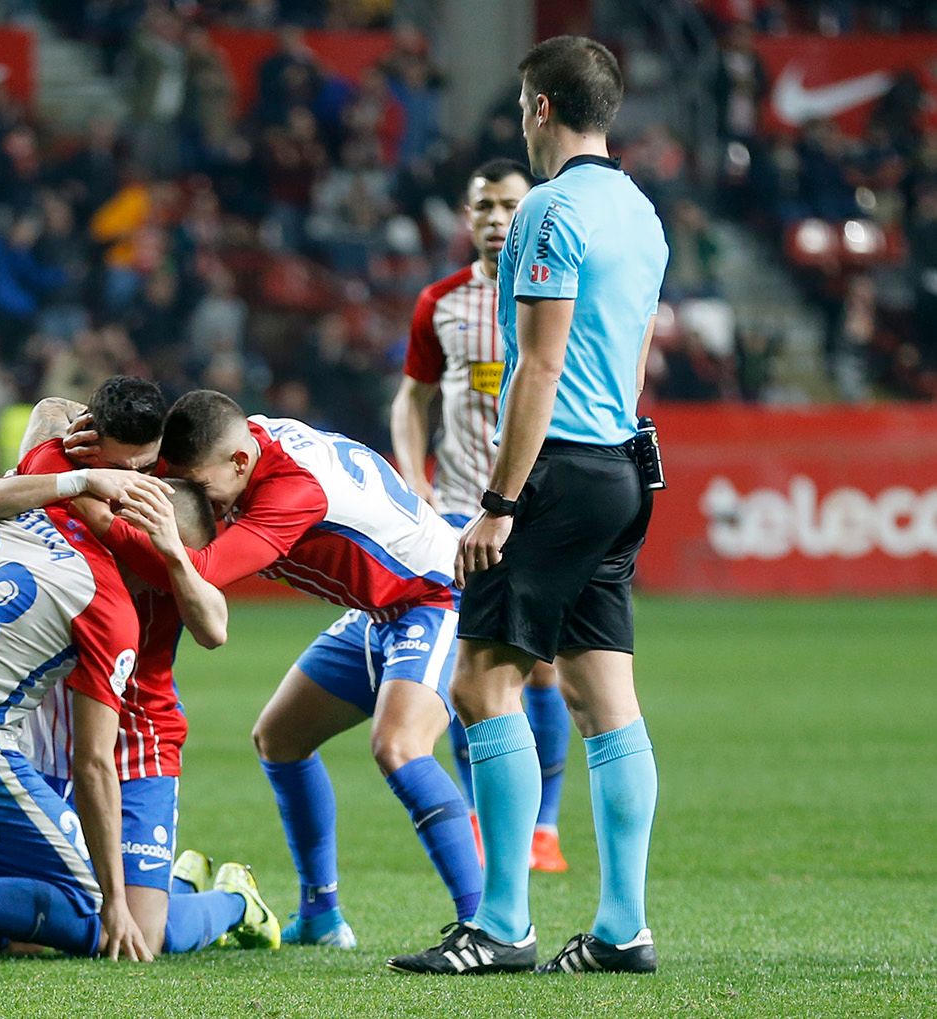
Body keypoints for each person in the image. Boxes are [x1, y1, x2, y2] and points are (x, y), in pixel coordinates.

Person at [387, 36, 667, 976]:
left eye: (520, 105)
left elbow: (538, 366)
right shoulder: (640, 211)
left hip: (557, 469)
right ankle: (623, 928)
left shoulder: (549, 212)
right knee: (602, 695)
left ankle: (502, 923)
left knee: (479, 684)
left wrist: (500, 502)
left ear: (540, 108)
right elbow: (629, 361)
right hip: (624, 463)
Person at [92, 390, 482, 951]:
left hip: (435, 598)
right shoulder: (230, 445)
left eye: (200, 490)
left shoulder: (292, 491)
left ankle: (484, 924)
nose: (197, 502)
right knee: (280, 738)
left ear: (240, 464)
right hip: (380, 609)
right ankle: (322, 916)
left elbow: (205, 570)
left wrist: (106, 514)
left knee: (399, 746)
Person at [0, 389, 281, 956]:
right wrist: (69, 434)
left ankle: (236, 899)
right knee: (37, 939)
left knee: (145, 938)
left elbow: (214, 628)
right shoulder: (97, 479)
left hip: (140, 737)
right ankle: (175, 880)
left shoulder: (167, 539)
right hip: (51, 727)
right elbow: (45, 411)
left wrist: (170, 555)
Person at [389, 158, 572, 874]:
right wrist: (414, 480)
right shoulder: (439, 302)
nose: (495, 220)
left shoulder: (554, 296)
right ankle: (480, 816)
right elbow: (411, 399)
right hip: (462, 514)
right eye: (483, 208)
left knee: (546, 672)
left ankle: (544, 828)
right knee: (474, 666)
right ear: (466, 219)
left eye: (508, 207)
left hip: (538, 510)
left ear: (531, 216)